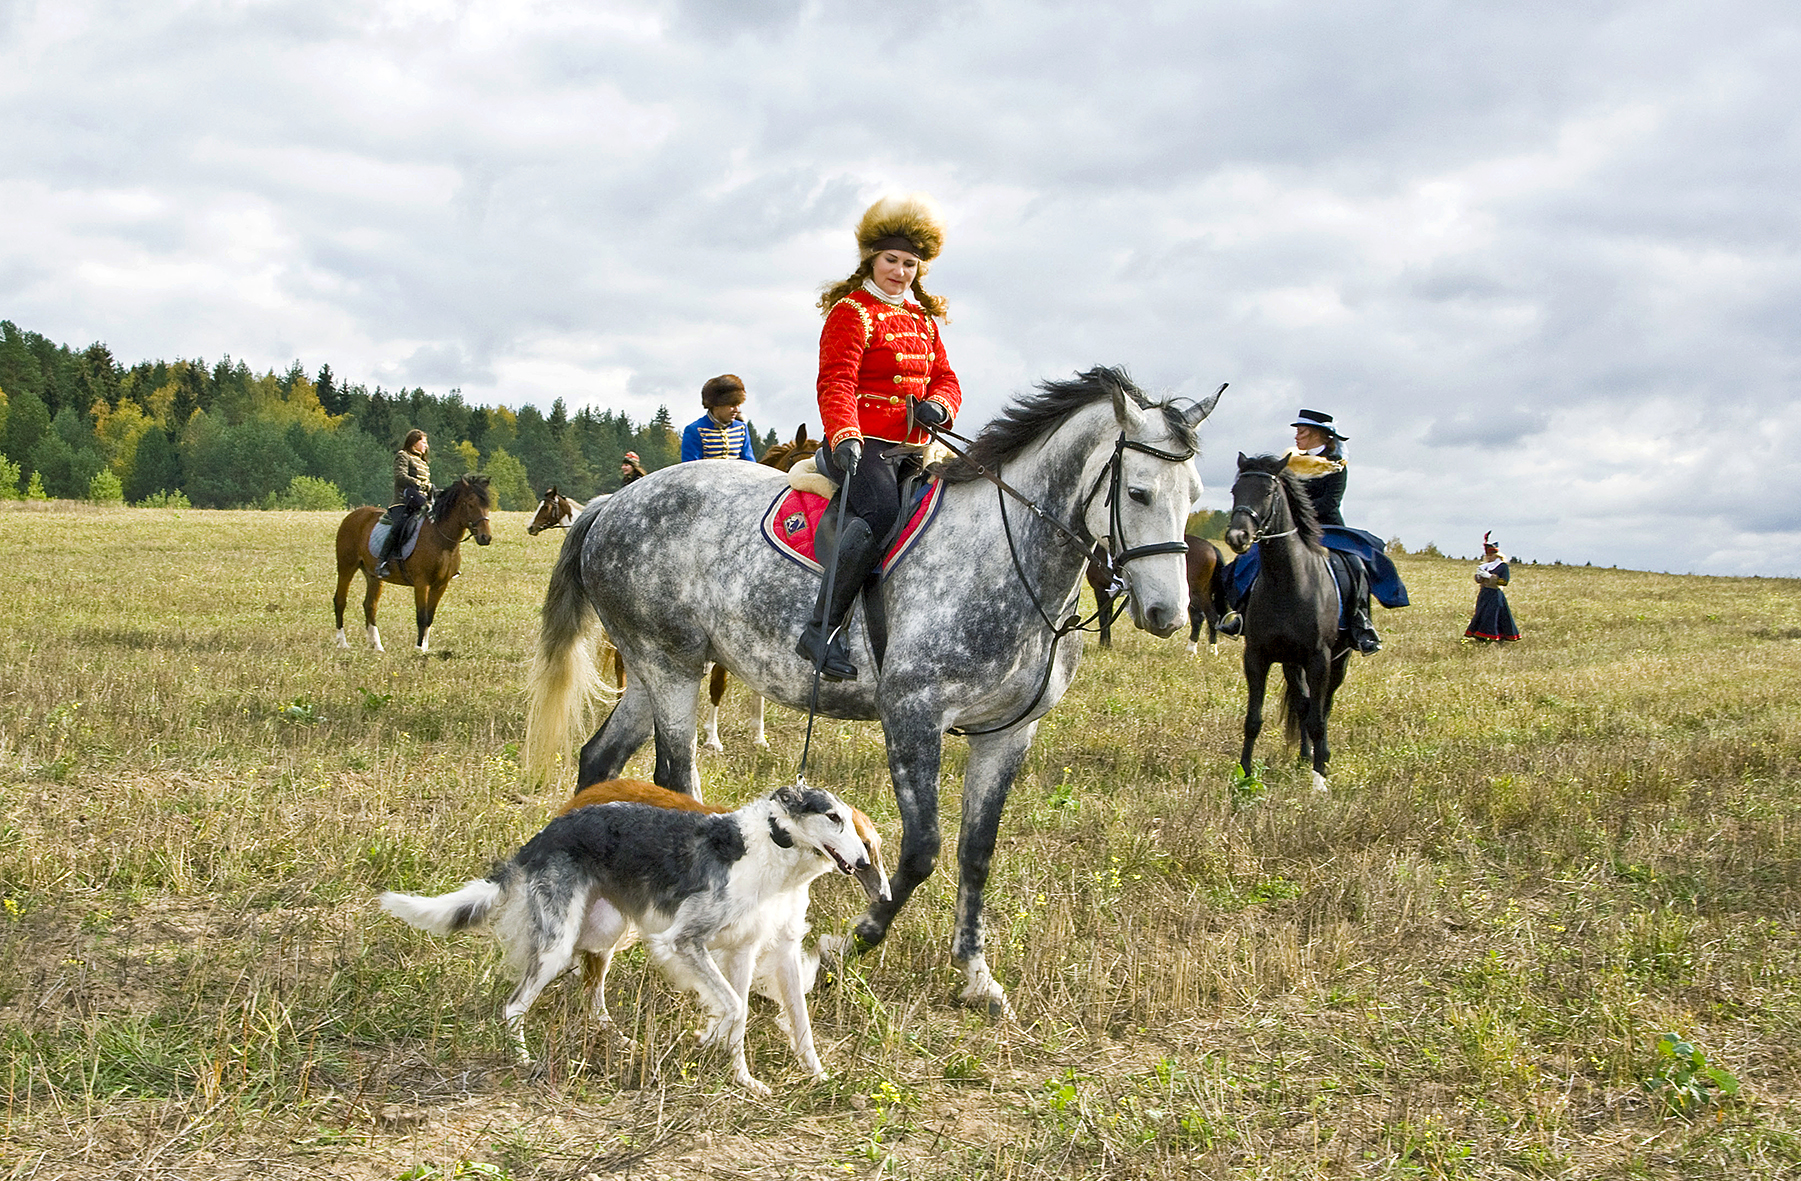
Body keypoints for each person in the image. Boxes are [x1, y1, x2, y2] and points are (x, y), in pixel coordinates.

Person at [797, 193, 962, 680]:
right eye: (892, 260)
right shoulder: (852, 311)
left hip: (913, 448)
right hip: (860, 445)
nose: (901, 271)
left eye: (910, 263)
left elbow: (947, 378)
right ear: (872, 258)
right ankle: (821, 628)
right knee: (883, 510)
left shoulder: (922, 321)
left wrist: (939, 405)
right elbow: (836, 381)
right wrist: (844, 434)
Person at [1216, 409, 1403, 653]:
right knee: (1248, 560)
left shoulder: (1335, 465)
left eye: (1302, 432)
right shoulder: (1289, 462)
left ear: (1321, 436)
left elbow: (1329, 502)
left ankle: (1360, 622)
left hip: (1327, 527)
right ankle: (1241, 615)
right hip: (1288, 529)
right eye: (1296, 432)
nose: (1297, 437)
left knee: (1354, 564)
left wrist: (1298, 514)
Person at [378, 428, 432, 574]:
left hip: (421, 503)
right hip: (403, 502)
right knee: (400, 526)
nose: (426, 446)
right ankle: (382, 562)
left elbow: (426, 484)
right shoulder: (403, 456)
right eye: (424, 442)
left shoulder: (423, 462)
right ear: (414, 443)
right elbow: (400, 476)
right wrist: (418, 483)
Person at [680, 374, 757, 462]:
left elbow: (750, 464)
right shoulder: (694, 430)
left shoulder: (741, 428)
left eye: (738, 405)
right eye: (732, 405)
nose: (736, 410)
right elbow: (690, 467)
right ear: (716, 405)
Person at [1465, 532, 1521, 641]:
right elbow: (1478, 580)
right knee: (1481, 614)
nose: (1489, 557)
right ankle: (1480, 636)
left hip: (1495, 594)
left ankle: (1491, 637)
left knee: (1492, 616)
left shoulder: (1502, 566)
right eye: (1488, 555)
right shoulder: (1485, 566)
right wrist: (1479, 576)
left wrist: (1491, 577)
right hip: (1484, 594)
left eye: (1491, 555)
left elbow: (1504, 581)